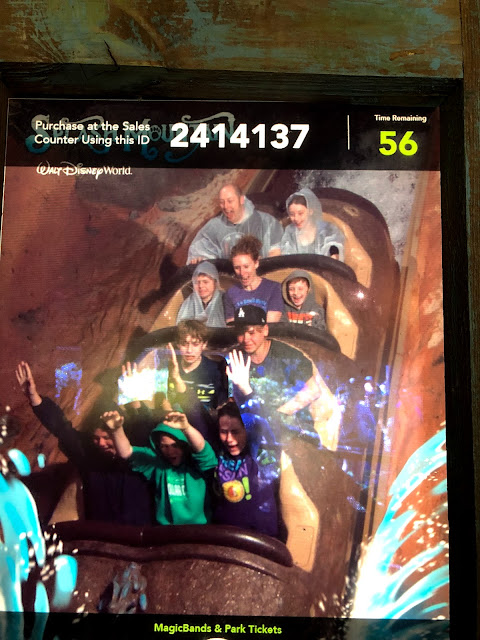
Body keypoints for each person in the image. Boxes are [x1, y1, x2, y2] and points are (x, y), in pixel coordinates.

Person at [15, 361, 155, 526]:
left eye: (107, 437)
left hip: (138, 534)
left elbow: (144, 426)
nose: (101, 443)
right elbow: (61, 427)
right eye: (96, 438)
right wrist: (34, 397)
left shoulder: (138, 454)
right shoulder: (88, 454)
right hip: (99, 534)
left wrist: (134, 401)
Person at [227, 307, 325, 444]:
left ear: (265, 330)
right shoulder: (235, 358)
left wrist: (278, 415)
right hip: (256, 434)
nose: (246, 339)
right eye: (240, 333)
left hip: (294, 433)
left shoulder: (287, 355)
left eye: (251, 332)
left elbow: (313, 390)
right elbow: (232, 402)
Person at [101, 410, 217, 525]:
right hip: (166, 530)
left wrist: (187, 428)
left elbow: (202, 449)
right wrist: (116, 430)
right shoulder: (157, 463)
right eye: (164, 446)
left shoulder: (197, 464)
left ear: (184, 445)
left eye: (175, 445)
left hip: (198, 529)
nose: (170, 451)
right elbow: (126, 452)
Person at [213, 400, 282, 538]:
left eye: (235, 432)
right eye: (224, 432)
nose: (229, 439)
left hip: (262, 538)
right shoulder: (215, 456)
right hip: (225, 537)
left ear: (248, 431)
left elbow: (262, 419)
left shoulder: (261, 457)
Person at [167, 319, 228, 445]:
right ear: (178, 344)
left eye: (195, 344)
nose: (189, 350)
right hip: (173, 431)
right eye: (184, 344)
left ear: (204, 344)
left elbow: (220, 408)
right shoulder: (169, 367)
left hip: (203, 432)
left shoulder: (215, 370)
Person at [187, 184, 282, 264]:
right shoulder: (213, 227)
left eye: (230, 201)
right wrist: (199, 260)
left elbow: (277, 253)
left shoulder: (266, 222)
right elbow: (199, 253)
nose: (226, 206)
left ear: (241, 200)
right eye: (222, 202)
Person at [224, 235, 283, 324]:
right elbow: (231, 326)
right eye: (237, 268)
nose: (242, 273)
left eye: (246, 266)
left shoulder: (273, 288)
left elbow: (270, 325)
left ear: (256, 263)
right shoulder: (231, 293)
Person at [281, 188, 345, 260]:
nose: (296, 218)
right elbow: (287, 257)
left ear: (310, 211)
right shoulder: (290, 232)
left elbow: (334, 252)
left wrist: (333, 256)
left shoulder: (327, 229)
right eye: (292, 214)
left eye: (300, 213)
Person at [176, 261, 226, 327]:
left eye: (205, 282)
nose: (201, 286)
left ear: (215, 282)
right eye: (197, 282)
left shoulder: (226, 299)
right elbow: (181, 327)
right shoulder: (189, 302)